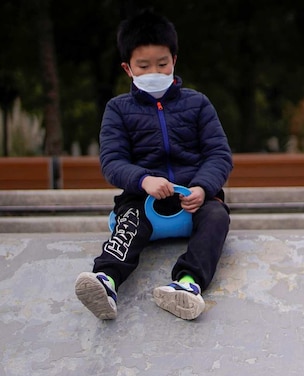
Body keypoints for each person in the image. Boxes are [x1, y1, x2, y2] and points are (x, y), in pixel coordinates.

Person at [74, 10, 232, 321]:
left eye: (162, 64)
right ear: (127, 68)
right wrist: (144, 179)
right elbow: (112, 161)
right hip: (142, 200)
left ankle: (188, 285)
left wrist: (203, 186)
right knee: (129, 221)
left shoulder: (197, 103)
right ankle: (105, 281)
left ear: (174, 59)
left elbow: (219, 153)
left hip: (192, 202)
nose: (154, 71)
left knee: (217, 216)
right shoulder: (118, 109)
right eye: (144, 66)